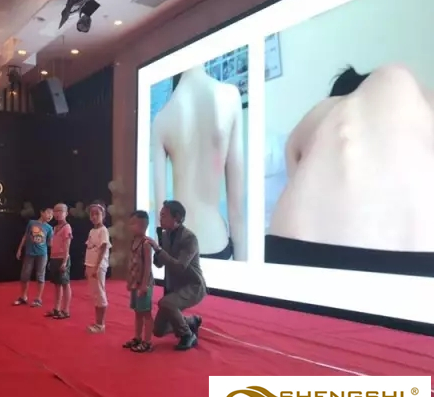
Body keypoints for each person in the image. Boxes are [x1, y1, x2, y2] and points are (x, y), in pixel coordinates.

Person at [267, 64, 434, 277]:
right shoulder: (416, 98)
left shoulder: (326, 109)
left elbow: (294, 174)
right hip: (421, 256)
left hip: (297, 249)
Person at [152, 64, 246, 261]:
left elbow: (160, 220)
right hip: (215, 240)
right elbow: (236, 211)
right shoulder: (230, 96)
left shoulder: (161, 119)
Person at [145, 200, 204, 351]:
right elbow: (159, 264)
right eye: (160, 215)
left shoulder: (189, 238)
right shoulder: (164, 236)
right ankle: (190, 321)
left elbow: (180, 267)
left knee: (166, 303)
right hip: (174, 288)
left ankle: (187, 335)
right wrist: (157, 251)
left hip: (192, 286)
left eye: (164, 215)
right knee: (158, 330)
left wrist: (159, 250)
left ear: (177, 218)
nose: (160, 218)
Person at [123, 210, 154, 353]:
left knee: (146, 312)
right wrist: (130, 281)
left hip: (143, 284)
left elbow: (148, 266)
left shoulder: (146, 243)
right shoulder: (133, 241)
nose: (130, 227)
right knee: (137, 311)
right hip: (135, 283)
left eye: (133, 224)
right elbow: (132, 263)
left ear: (143, 225)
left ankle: (147, 342)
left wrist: (144, 285)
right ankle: (137, 337)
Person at [14, 208, 53, 307]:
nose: (50, 216)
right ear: (42, 212)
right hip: (29, 253)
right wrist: (19, 249)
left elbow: (50, 243)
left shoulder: (49, 228)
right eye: (48, 213)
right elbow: (25, 236)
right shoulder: (32, 223)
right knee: (25, 275)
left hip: (42, 254)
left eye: (52, 214)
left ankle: (38, 299)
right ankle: (23, 297)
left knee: (40, 276)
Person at [84, 201, 111, 333]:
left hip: (98, 267)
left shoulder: (103, 230)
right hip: (91, 265)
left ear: (103, 215)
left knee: (99, 294)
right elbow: (90, 248)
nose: (94, 216)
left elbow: (103, 248)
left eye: (97, 214)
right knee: (95, 294)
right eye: (92, 214)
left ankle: (101, 324)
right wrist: (87, 267)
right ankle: (97, 322)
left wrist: (96, 267)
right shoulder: (92, 230)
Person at [46, 204, 73, 319]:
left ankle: (66, 310)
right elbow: (52, 245)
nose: (57, 213)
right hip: (54, 258)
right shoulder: (54, 228)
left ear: (66, 213)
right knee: (57, 285)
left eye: (60, 211)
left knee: (65, 284)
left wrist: (64, 262)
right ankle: (56, 309)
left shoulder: (67, 227)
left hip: (62, 258)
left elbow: (67, 246)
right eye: (55, 211)